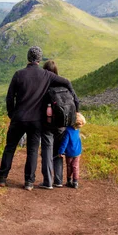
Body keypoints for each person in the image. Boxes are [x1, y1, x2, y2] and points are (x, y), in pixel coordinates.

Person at [0, 46, 79, 191]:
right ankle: (29, 182)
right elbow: (66, 82)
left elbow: (10, 97)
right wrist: (74, 101)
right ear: (39, 59)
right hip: (36, 121)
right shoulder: (46, 75)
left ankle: (2, 178)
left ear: (28, 58)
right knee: (32, 151)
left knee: (10, 147)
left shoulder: (18, 74)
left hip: (19, 118)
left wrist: (12, 114)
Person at [42, 60, 67, 188]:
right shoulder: (64, 84)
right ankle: (58, 180)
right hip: (62, 124)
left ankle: (48, 181)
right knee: (58, 152)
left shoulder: (44, 86)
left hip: (47, 124)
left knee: (47, 150)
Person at [58, 112, 86, 189]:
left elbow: (65, 143)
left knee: (69, 166)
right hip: (77, 152)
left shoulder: (68, 131)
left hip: (69, 153)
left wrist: (60, 151)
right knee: (76, 166)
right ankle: (75, 182)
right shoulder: (77, 130)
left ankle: (69, 181)